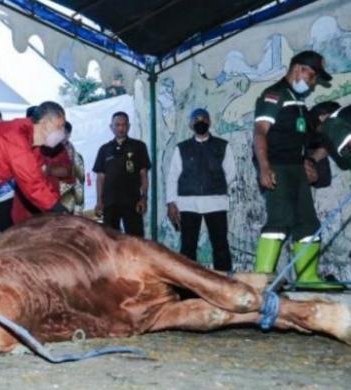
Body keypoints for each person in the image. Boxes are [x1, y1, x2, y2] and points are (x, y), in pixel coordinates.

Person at [251, 50, 341, 290]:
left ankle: (308, 277)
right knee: (280, 220)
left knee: (308, 224)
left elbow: (298, 140)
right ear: (298, 69)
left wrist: (308, 162)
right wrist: (264, 167)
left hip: (297, 169)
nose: (312, 84)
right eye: (311, 76)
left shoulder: (298, 102)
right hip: (278, 167)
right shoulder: (274, 95)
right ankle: (261, 279)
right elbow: (260, 132)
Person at [165, 108, 236, 272]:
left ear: (209, 122)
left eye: (204, 118)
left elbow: (230, 172)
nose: (200, 122)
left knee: (220, 246)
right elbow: (173, 175)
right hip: (188, 204)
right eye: (196, 119)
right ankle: (187, 289)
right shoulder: (181, 148)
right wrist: (171, 202)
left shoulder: (222, 146)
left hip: (216, 203)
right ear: (191, 124)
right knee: (188, 247)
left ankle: (224, 284)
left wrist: (215, 185)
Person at [93, 111, 151, 237]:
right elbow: (100, 177)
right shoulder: (104, 149)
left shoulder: (139, 147)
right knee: (111, 240)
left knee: (136, 239)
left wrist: (144, 198)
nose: (121, 128)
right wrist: (99, 201)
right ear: (111, 127)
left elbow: (144, 174)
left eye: (124, 125)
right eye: (117, 125)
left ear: (128, 126)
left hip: (132, 202)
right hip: (110, 203)